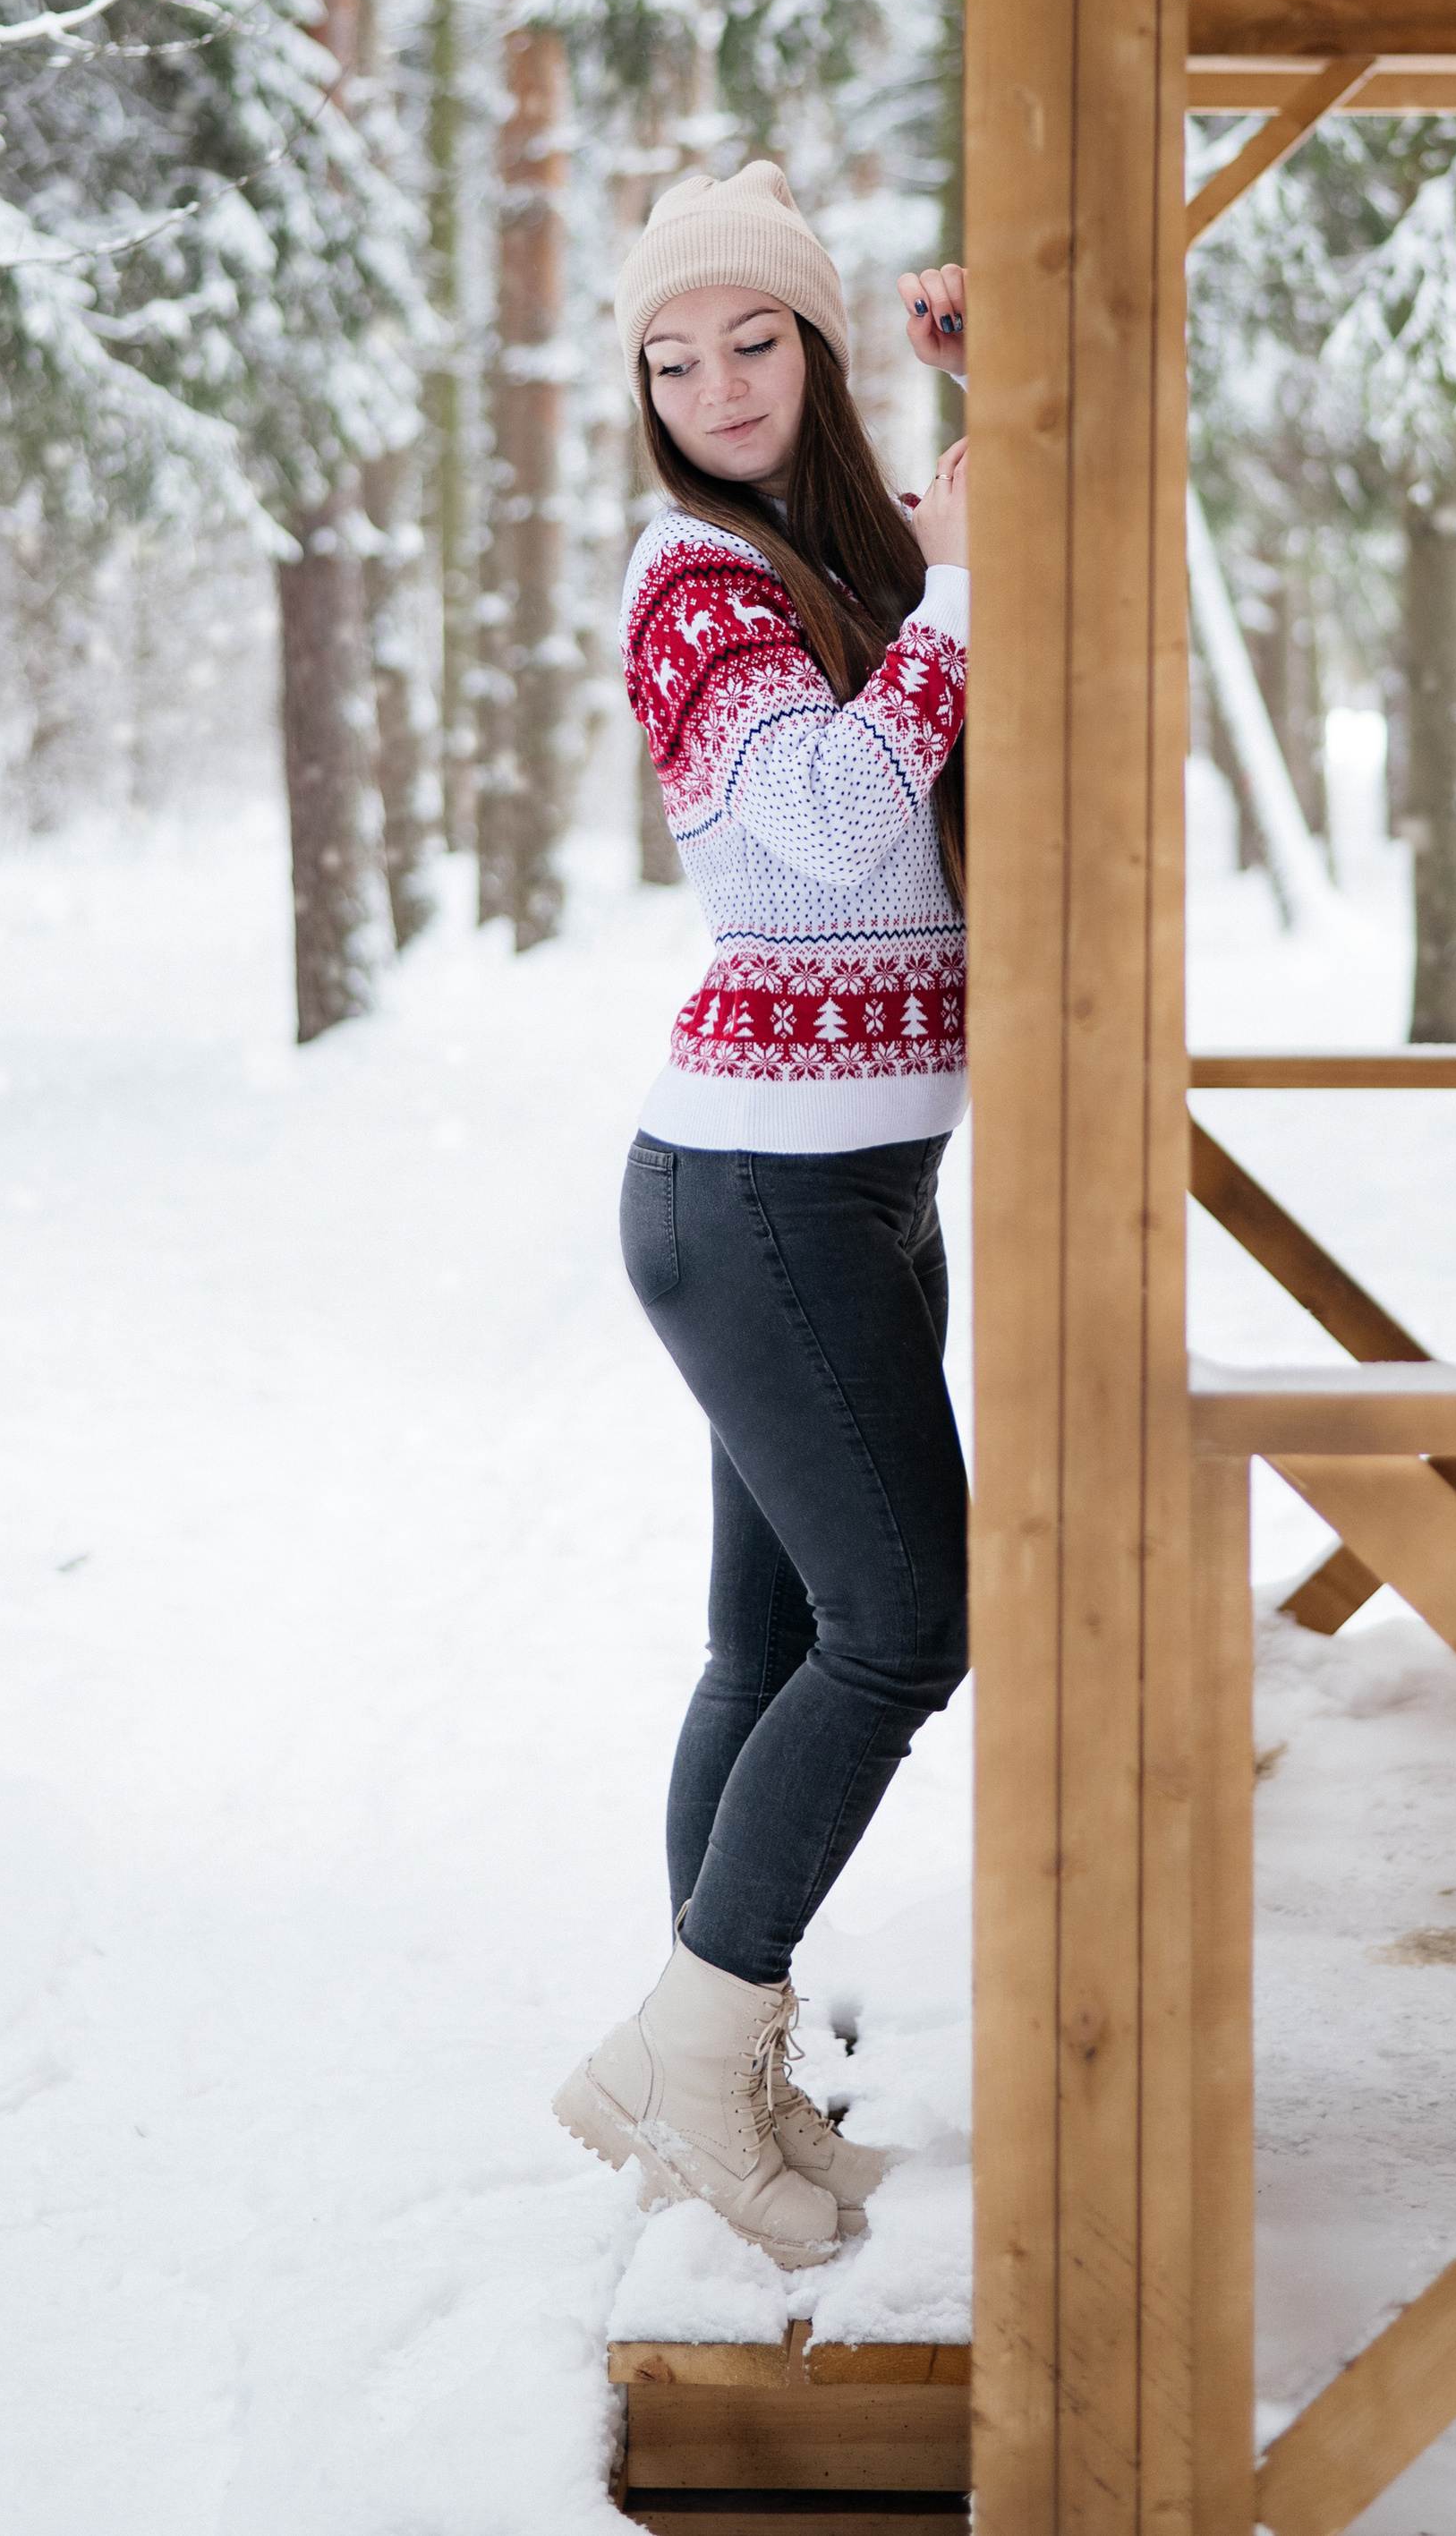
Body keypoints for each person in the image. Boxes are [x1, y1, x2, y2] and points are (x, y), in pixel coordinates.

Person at [555, 161, 972, 2267]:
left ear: (810, 351)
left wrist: (992, 406)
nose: (714, 380)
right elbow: (815, 825)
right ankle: (690, 2060)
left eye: (753, 337)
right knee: (904, 1628)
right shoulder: (685, 578)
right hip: (759, 1191)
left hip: (852, 1178)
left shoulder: (829, 551)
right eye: (670, 352)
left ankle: (713, 2071)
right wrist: (960, 598)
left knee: (776, 1639)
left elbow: (936, 649)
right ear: (638, 386)